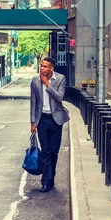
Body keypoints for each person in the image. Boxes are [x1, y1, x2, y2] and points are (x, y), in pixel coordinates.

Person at [30, 57, 70, 193]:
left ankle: (51, 177)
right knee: (45, 151)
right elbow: (33, 102)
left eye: (45, 66)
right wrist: (33, 122)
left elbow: (59, 97)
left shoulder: (60, 79)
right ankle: (45, 182)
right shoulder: (35, 80)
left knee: (54, 151)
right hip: (42, 120)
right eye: (41, 66)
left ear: (51, 68)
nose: (42, 69)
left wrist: (47, 83)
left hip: (56, 119)